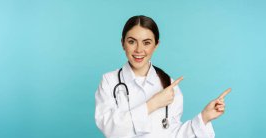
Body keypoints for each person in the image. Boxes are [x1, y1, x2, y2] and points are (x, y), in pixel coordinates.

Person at [95, 15, 231, 138]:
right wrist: (153, 104)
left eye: (146, 42)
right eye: (132, 41)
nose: (139, 50)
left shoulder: (168, 85)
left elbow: (174, 135)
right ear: (122, 43)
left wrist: (204, 117)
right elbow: (110, 130)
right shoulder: (109, 81)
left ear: (156, 45)